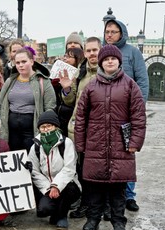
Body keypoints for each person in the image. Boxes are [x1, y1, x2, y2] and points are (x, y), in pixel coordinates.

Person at [74, 45, 146, 230]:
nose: (110, 62)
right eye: (106, 59)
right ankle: (92, 219)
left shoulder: (130, 85)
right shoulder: (91, 87)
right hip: (95, 145)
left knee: (118, 188)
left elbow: (138, 117)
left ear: (119, 61)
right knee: (94, 187)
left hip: (121, 145)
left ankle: (118, 222)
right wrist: (80, 144)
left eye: (113, 59)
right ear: (101, 62)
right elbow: (80, 117)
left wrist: (135, 142)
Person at [103, 19, 149, 212]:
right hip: (106, 114)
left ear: (122, 33)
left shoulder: (133, 52)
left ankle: (129, 195)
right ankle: (106, 196)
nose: (110, 35)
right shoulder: (103, 51)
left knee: (127, 155)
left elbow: (143, 82)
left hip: (127, 113)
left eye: (114, 31)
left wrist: (138, 110)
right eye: (107, 31)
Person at [60, 37, 102, 219]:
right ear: (84, 53)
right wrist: (67, 89)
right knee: (82, 169)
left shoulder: (107, 71)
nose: (92, 54)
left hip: (99, 130)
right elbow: (70, 100)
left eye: (95, 50)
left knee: (98, 170)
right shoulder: (80, 72)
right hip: (79, 129)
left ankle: (101, 206)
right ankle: (85, 204)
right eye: (89, 50)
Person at [28, 110, 81, 230]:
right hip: (46, 185)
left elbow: (69, 168)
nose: (46, 129)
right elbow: (35, 172)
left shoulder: (66, 143)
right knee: (43, 210)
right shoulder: (36, 146)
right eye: (42, 127)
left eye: (49, 126)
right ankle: (55, 213)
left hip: (68, 184)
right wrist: (48, 188)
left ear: (56, 126)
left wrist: (56, 186)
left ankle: (62, 217)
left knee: (69, 190)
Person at [0, 46, 55, 153]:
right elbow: (0, 105)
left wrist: (46, 129)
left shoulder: (43, 81)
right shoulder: (10, 81)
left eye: (24, 61)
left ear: (32, 61)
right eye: (17, 63)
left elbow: (50, 107)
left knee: (31, 160)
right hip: (10, 131)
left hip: (33, 130)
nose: (21, 65)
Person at [50, 47, 84, 137]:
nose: (65, 59)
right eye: (65, 56)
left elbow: (71, 100)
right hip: (59, 113)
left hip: (71, 115)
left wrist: (67, 88)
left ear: (78, 58)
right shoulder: (59, 72)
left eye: (69, 57)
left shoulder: (80, 75)